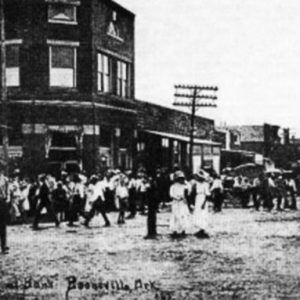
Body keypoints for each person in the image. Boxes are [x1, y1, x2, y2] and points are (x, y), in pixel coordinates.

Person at [169, 170, 190, 238]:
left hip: (182, 202)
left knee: (183, 215)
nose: (181, 180)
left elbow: (188, 191)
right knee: (175, 216)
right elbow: (171, 194)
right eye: (180, 179)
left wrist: (183, 197)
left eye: (182, 179)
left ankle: (183, 230)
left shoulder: (184, 186)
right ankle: (175, 230)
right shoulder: (173, 186)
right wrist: (177, 198)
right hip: (175, 202)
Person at [192, 170, 211, 238]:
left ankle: (203, 229)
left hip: (203, 198)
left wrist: (204, 203)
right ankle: (200, 228)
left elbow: (207, 195)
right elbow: (194, 193)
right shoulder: (196, 184)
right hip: (198, 199)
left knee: (203, 214)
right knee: (198, 214)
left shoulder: (205, 184)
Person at [0, 170, 9, 254]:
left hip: (2, 202)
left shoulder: (5, 179)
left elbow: (7, 191)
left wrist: (7, 199)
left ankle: (3, 245)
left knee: (3, 225)